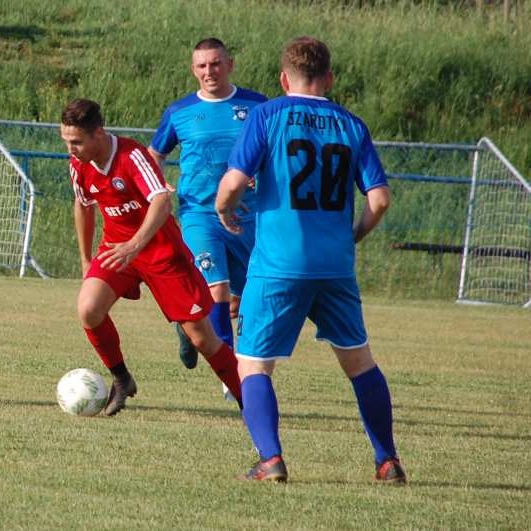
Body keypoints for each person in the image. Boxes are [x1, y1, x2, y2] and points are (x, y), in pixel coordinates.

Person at [215, 36, 405, 483]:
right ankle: (388, 460)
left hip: (279, 265)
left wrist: (225, 210)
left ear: (283, 78)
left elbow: (233, 183)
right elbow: (379, 199)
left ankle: (271, 460)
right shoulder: (352, 125)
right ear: (330, 78)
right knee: (360, 364)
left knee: (254, 364)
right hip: (335, 265)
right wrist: (354, 233)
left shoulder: (267, 114)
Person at [61, 98, 242, 416]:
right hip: (116, 249)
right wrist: (86, 258)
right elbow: (83, 205)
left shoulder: (132, 156)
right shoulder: (79, 165)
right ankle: (121, 378)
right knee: (89, 310)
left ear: (98, 134)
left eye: (76, 142)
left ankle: (249, 402)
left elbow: (161, 201)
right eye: (66, 141)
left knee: (204, 339)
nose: (71, 148)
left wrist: (135, 244)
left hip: (161, 252)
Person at [149, 38, 267, 388]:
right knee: (216, 288)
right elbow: (154, 154)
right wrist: (157, 186)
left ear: (229, 64)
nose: (208, 71)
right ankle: (233, 378)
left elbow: (274, 152)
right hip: (200, 215)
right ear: (193, 70)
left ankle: (189, 326)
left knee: (246, 299)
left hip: (250, 216)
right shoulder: (179, 112)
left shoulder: (257, 106)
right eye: (201, 66)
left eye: (215, 64)